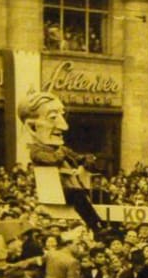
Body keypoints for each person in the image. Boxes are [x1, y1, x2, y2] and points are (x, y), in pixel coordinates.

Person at [17, 88, 105, 233]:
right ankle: (95, 225)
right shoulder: (36, 151)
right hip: (57, 191)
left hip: (71, 188)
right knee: (78, 196)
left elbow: (78, 157)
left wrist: (86, 160)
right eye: (53, 117)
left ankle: (110, 227)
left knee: (100, 193)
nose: (64, 126)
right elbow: (53, 159)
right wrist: (62, 151)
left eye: (62, 116)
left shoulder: (61, 148)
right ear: (32, 127)